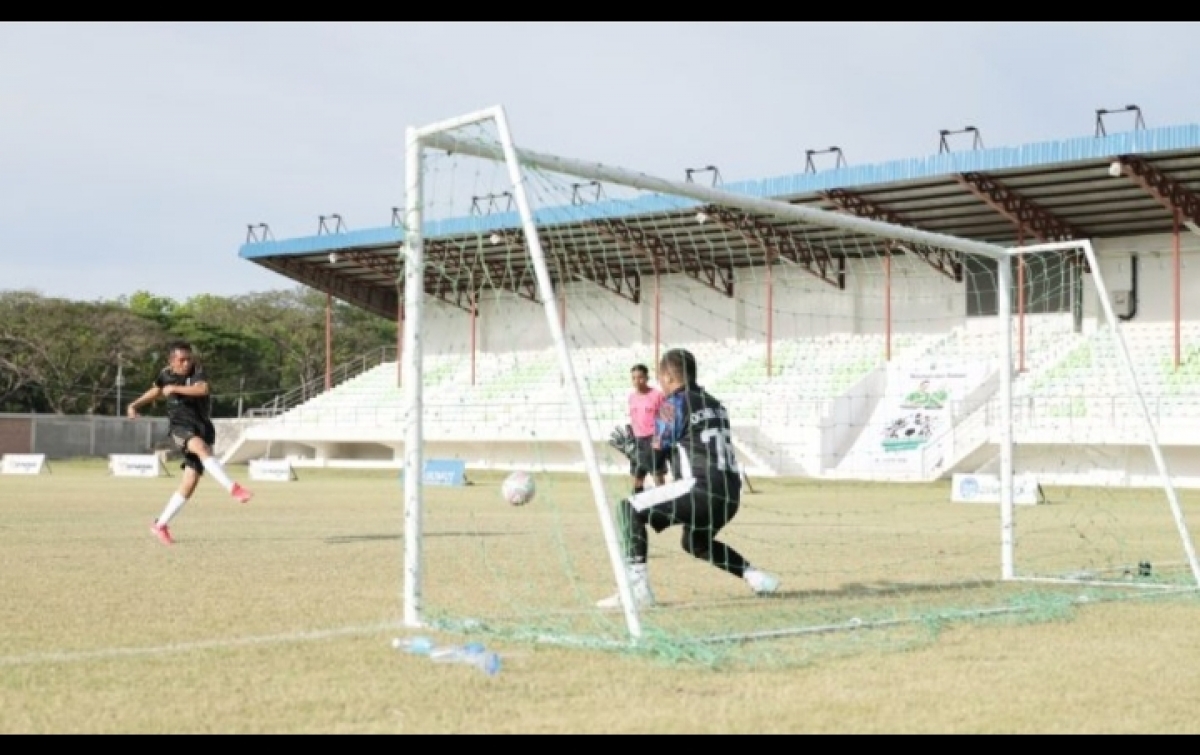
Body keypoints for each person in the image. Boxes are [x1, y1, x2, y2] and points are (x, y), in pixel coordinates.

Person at [600, 348, 779, 608]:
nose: (659, 385)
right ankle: (756, 576)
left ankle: (637, 590)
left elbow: (656, 462)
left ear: (668, 377)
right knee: (695, 542)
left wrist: (632, 451)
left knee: (627, 509)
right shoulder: (716, 405)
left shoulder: (672, 404)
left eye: (661, 379)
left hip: (699, 489)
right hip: (730, 496)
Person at [126, 340, 253, 545]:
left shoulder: (197, 372)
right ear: (171, 361)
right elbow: (157, 390)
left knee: (190, 482)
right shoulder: (165, 374)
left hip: (202, 427)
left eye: (188, 359)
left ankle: (160, 525)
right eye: (181, 360)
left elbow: (202, 389)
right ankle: (234, 488)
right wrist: (135, 404)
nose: (186, 363)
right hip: (180, 427)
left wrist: (174, 388)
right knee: (200, 448)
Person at [625, 363, 667, 495]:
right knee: (637, 477)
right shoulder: (631, 397)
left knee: (657, 476)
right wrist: (630, 436)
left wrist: (659, 438)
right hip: (637, 441)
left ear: (647, 378)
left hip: (653, 438)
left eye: (640, 377)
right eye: (634, 378)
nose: (637, 381)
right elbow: (633, 418)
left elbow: (666, 417)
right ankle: (638, 505)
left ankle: (664, 503)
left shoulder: (658, 395)